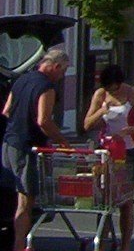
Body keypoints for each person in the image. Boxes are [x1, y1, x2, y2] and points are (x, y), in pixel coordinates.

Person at [1, 49, 71, 251]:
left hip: (8, 144)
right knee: (25, 199)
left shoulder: (21, 79)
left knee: (10, 194)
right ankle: (20, 245)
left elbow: (6, 111)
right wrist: (62, 141)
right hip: (27, 147)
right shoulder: (47, 87)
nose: (62, 76)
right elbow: (44, 120)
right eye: (63, 71)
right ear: (56, 66)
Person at [84, 65, 134, 251]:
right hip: (106, 151)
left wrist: (128, 131)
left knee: (125, 201)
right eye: (107, 88)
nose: (111, 91)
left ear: (120, 83)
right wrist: (101, 111)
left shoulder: (133, 93)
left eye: (113, 88)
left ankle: (125, 245)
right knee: (104, 199)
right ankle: (102, 241)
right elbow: (87, 124)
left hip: (128, 150)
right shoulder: (100, 95)